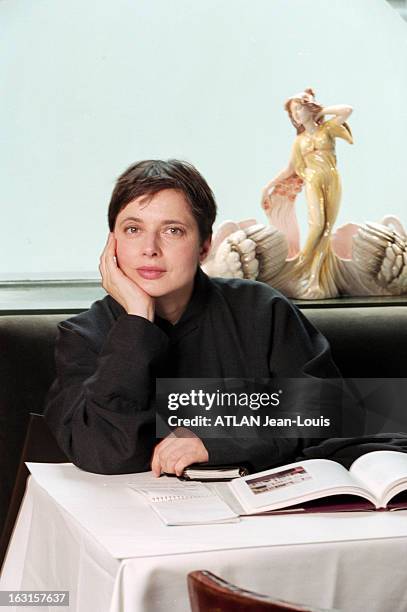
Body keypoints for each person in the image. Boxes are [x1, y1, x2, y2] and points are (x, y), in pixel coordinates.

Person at [44, 159, 341, 477]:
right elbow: (104, 452)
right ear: (111, 243)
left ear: (204, 246)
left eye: (173, 231)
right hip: (130, 518)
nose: (150, 248)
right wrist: (137, 321)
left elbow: (329, 412)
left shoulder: (263, 310)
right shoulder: (82, 336)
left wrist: (220, 441)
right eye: (133, 229)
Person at [261, 88, 353, 299]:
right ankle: (300, 266)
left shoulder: (327, 129)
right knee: (318, 224)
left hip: (332, 180)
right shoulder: (299, 141)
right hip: (312, 180)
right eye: (293, 112)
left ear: (308, 108)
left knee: (326, 230)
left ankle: (313, 278)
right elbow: (289, 169)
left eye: (298, 109)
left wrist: (322, 111)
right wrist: (267, 187)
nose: (295, 115)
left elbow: (348, 110)